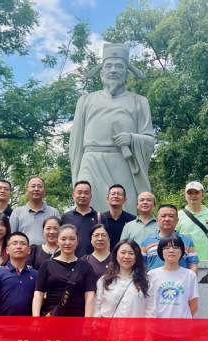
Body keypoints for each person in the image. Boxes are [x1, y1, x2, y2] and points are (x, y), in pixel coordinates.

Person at [69, 43, 154, 214]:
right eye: (108, 66)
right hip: (91, 163)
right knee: (88, 211)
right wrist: (76, 175)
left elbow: (150, 140)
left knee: (125, 211)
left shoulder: (140, 101)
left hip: (124, 162)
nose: (113, 70)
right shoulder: (85, 101)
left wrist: (132, 139)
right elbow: (75, 142)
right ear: (102, 73)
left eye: (119, 66)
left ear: (127, 74)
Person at [140, 204, 199, 274]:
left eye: (171, 216)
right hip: (154, 280)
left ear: (177, 220)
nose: (167, 219)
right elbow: (141, 266)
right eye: (163, 216)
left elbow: (192, 266)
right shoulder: (146, 242)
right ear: (157, 220)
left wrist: (191, 279)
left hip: (180, 280)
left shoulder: (186, 241)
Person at [61, 181, 108, 258]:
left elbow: (107, 241)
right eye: (79, 192)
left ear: (90, 196)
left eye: (86, 193)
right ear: (73, 195)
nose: (82, 196)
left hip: (95, 260)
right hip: (71, 260)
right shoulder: (66, 217)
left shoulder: (100, 217)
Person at [10, 176, 60, 246]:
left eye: (39, 186)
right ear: (26, 190)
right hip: (23, 251)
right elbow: (11, 236)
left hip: (47, 251)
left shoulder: (53, 212)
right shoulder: (17, 212)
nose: (36, 189)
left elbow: (59, 235)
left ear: (44, 191)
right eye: (33, 186)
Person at [104, 184, 136, 250]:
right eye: (113, 194)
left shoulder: (133, 220)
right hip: (105, 255)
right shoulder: (101, 218)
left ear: (124, 200)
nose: (116, 196)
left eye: (119, 194)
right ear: (107, 199)